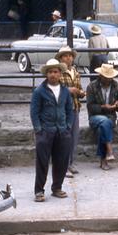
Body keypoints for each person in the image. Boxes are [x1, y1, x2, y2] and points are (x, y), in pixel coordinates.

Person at [30, 59, 73, 202]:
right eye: (50, 72)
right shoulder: (39, 91)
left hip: (62, 131)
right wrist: (38, 130)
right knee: (42, 162)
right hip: (45, 131)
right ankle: (39, 191)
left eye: (55, 72)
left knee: (61, 161)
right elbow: (34, 112)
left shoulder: (65, 91)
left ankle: (57, 188)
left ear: (60, 73)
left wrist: (68, 126)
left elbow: (69, 110)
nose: (53, 75)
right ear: (46, 74)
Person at [87, 63, 118, 171]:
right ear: (101, 76)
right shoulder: (92, 86)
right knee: (104, 122)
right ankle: (109, 152)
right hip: (95, 117)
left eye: (110, 77)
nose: (108, 80)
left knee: (103, 127)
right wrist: (103, 107)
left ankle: (103, 159)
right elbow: (90, 107)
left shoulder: (116, 86)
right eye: (106, 77)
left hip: (110, 116)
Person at [56, 46, 85, 177]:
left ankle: (70, 162)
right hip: (64, 109)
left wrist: (80, 92)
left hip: (75, 106)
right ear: (61, 58)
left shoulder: (75, 72)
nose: (68, 58)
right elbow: (56, 89)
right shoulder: (59, 73)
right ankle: (63, 165)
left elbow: (79, 89)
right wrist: (69, 90)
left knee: (74, 137)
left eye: (70, 56)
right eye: (65, 56)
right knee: (65, 137)